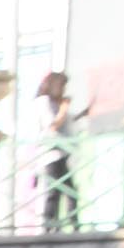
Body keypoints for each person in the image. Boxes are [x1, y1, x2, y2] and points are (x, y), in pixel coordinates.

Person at [35, 71, 87, 231]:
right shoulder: (44, 102)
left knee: (68, 190)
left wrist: (81, 115)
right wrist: (64, 108)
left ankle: (70, 224)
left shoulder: (55, 104)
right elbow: (53, 125)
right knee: (54, 191)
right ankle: (50, 226)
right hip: (51, 153)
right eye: (63, 86)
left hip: (62, 153)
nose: (64, 90)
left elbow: (66, 121)